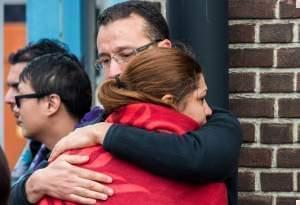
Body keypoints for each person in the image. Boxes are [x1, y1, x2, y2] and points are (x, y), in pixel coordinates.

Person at [24, 1, 242, 205]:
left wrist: (104, 133)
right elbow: (48, 176)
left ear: (163, 50)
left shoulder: (214, 121)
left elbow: (198, 158)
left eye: (126, 54)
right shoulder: (98, 121)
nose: (113, 72)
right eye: (105, 60)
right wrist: (31, 185)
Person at [39, 47, 228, 205]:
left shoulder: (71, 164)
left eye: (125, 54)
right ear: (170, 102)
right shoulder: (208, 176)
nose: (209, 111)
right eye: (201, 99)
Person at [8, 52, 104, 204]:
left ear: (51, 104)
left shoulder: (87, 162)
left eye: (20, 97)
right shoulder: (42, 156)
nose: (12, 104)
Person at [4, 39, 70, 185]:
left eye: (19, 88)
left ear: (51, 102)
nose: (7, 98)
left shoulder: (80, 162)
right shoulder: (36, 150)